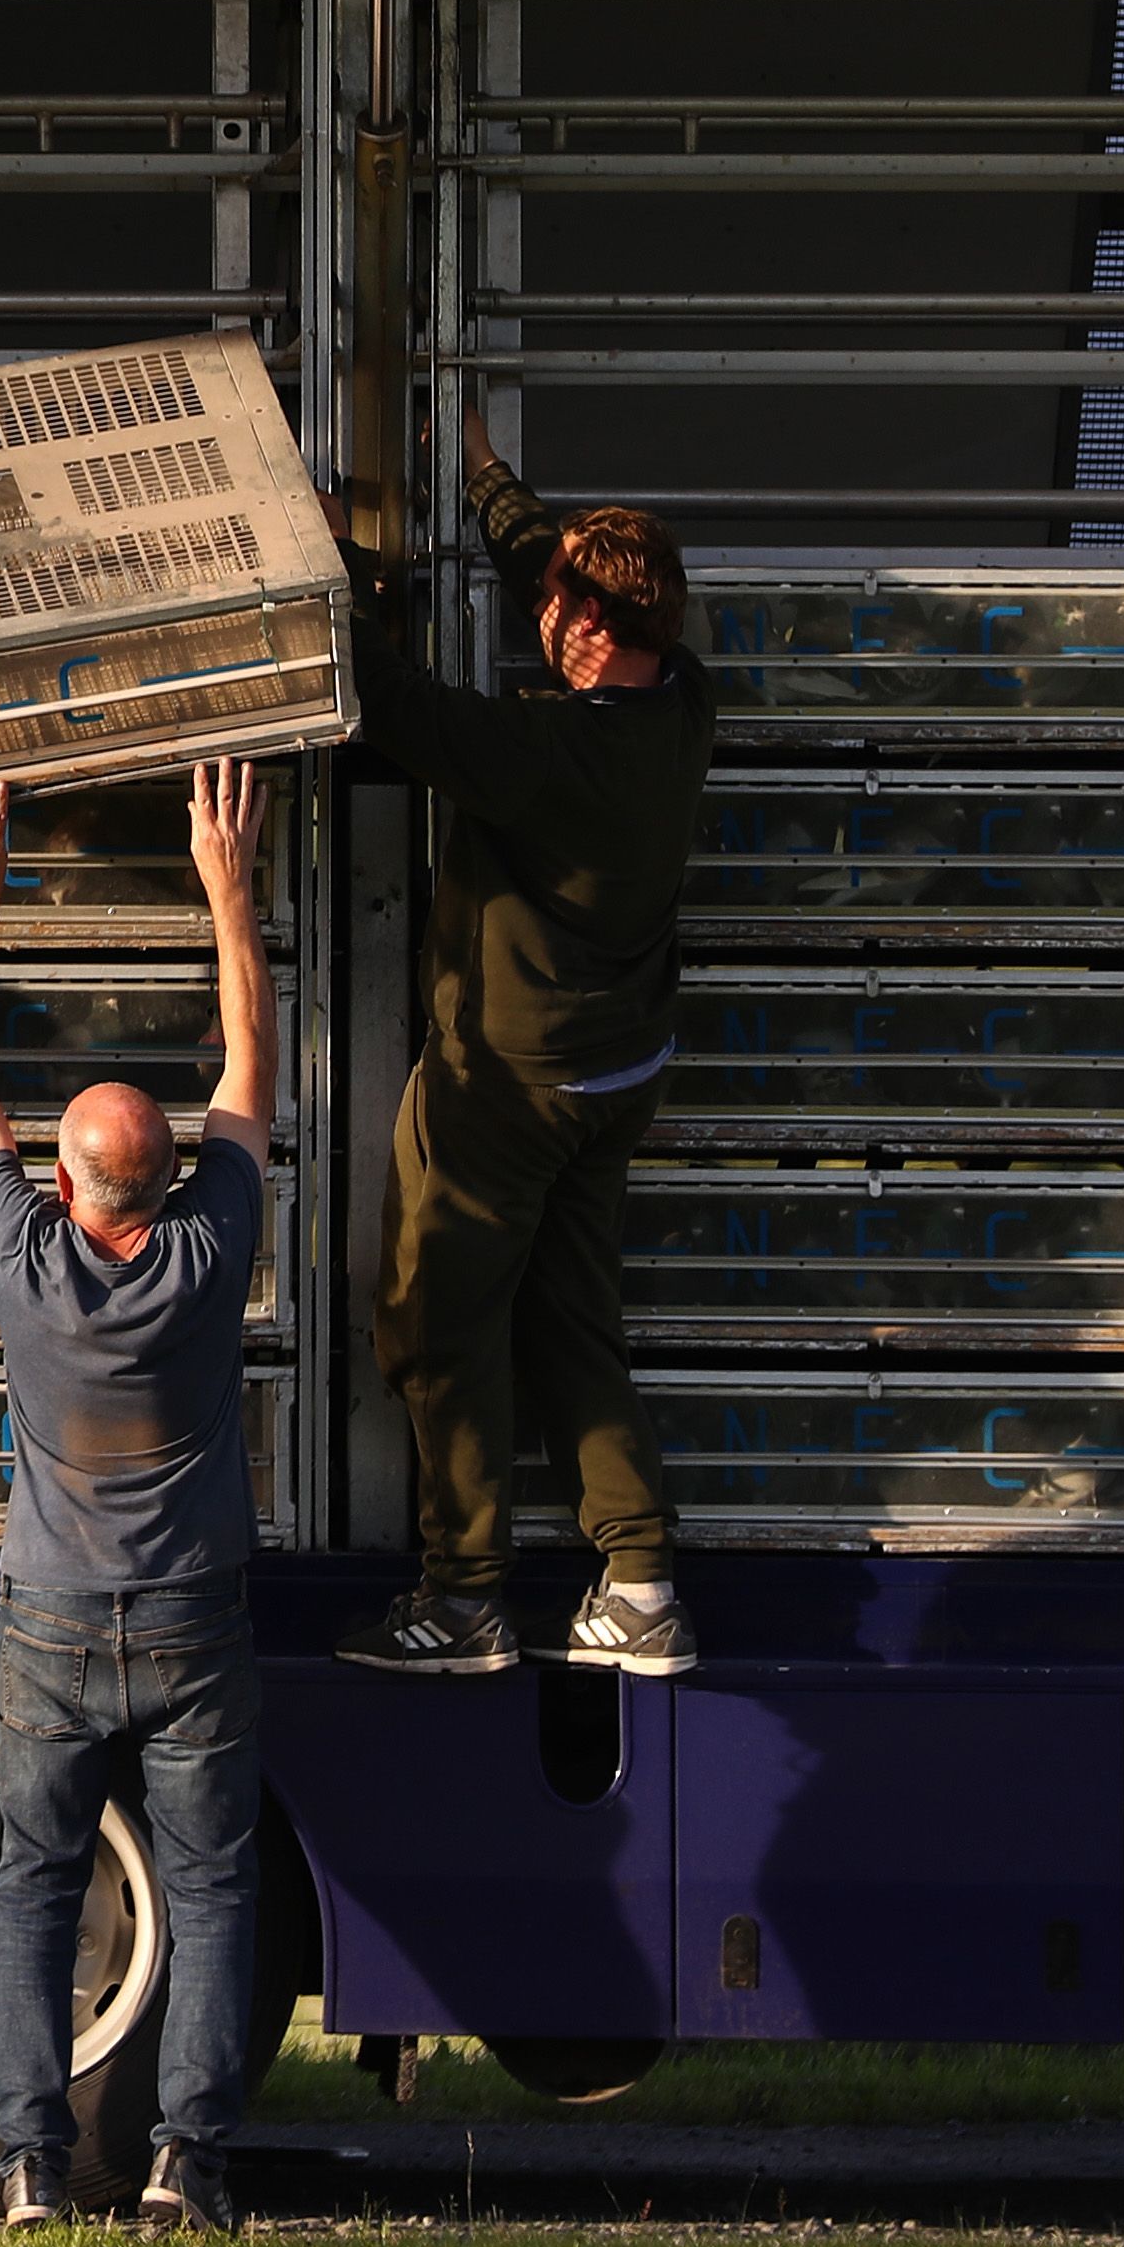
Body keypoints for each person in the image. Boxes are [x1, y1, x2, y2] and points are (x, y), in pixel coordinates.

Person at [0, 759, 272, 2237]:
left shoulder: (22, 1259)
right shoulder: (210, 1257)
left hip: (51, 1622)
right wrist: (226, 889)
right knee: (207, 1899)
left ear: (65, 1185)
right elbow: (252, 1068)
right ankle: (181, 2166)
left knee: (34, 1891)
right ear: (166, 1183)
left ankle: (26, 2166)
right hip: (193, 1621)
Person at [336, 400, 713, 1681]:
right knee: (572, 1321)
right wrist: (492, 486)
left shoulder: (549, 751)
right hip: (619, 1077)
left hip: (509, 1089)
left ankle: (464, 1597)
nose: (539, 615)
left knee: (436, 1319)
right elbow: (553, 567)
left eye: (558, 606)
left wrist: (321, 564)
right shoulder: (683, 701)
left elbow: (395, 705)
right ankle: (641, 1578)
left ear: (593, 632)